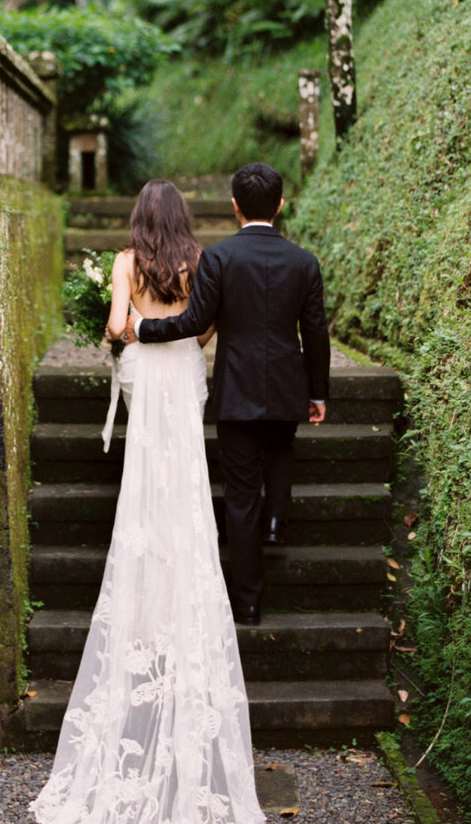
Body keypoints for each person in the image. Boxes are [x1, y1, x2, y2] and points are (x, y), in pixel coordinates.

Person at [31, 180, 270, 824]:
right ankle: (179, 571)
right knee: (186, 474)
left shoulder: (126, 260)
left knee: (148, 474)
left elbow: (113, 327)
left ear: (139, 219)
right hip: (183, 371)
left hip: (144, 367)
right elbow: (206, 328)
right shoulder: (201, 258)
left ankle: (148, 572)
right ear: (184, 220)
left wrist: (128, 325)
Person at [127, 162, 330, 627]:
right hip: (286, 385)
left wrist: (144, 328)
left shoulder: (218, 259)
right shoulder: (304, 262)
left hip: (237, 389)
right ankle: (277, 521)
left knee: (240, 498)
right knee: (281, 450)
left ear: (235, 206)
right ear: (280, 206)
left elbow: (195, 323)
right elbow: (315, 334)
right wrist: (317, 391)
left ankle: (248, 602)